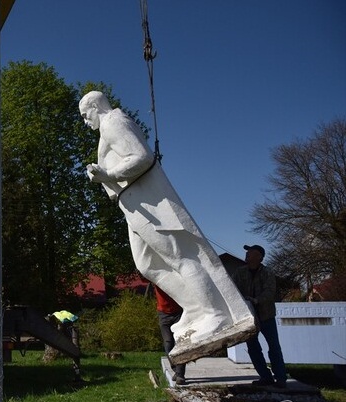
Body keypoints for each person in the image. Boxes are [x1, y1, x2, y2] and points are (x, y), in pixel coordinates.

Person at [79, 91, 255, 363]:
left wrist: (109, 175)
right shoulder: (105, 132)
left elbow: (142, 157)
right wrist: (103, 178)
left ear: (95, 106)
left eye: (85, 114)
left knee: (180, 257)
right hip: (133, 205)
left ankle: (216, 314)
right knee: (146, 265)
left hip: (150, 204)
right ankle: (196, 308)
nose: (84, 120)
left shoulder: (113, 121)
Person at [231, 244, 287, 388]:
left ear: (259, 257)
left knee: (274, 347)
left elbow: (270, 292)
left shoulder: (268, 273)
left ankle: (280, 378)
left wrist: (256, 300)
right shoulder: (240, 272)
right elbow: (232, 289)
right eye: (247, 252)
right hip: (249, 318)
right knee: (253, 349)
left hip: (266, 316)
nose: (247, 254)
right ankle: (265, 376)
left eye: (251, 252)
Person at [154, 285, 186, 385]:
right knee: (168, 343)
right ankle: (176, 368)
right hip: (163, 314)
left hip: (178, 312)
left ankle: (180, 374)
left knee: (180, 343)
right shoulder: (156, 275)